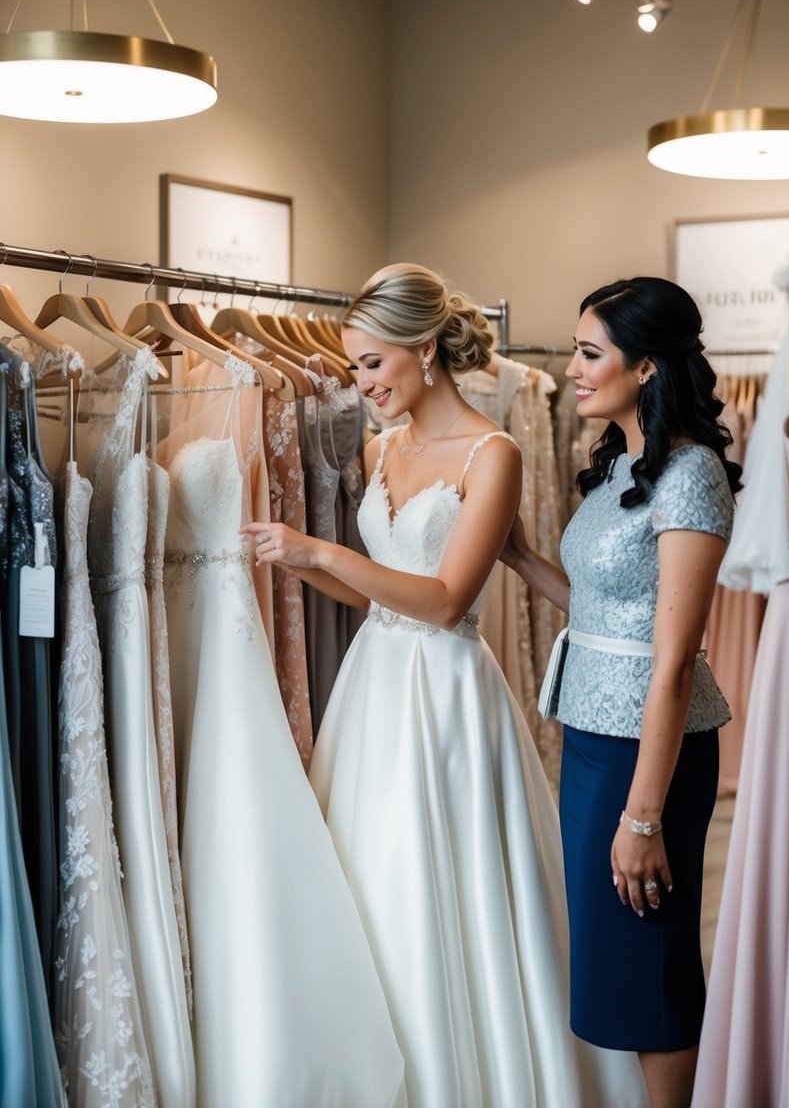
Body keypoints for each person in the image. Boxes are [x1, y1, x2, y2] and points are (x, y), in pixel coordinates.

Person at [244, 263, 647, 1108]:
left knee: (445, 885)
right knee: (368, 877)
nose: (360, 386)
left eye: (370, 365)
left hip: (448, 692)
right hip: (375, 686)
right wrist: (299, 569)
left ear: (423, 351)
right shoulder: (378, 447)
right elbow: (376, 590)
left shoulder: (491, 453)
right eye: (354, 367)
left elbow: (445, 598)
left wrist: (319, 549)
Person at [501, 277, 741, 1108]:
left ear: (644, 366)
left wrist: (642, 818)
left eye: (588, 352)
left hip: (651, 753)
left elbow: (670, 662)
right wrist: (522, 559)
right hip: (593, 738)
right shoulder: (619, 466)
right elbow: (613, 611)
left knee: (652, 961)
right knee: (617, 958)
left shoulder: (691, 475)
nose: (570, 367)